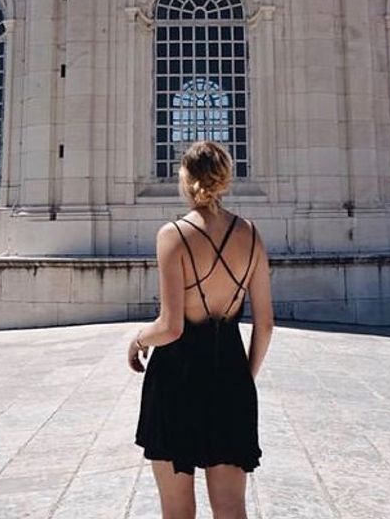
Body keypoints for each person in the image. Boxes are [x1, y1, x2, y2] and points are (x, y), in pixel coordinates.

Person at [128, 140, 274, 519]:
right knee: (231, 508)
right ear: (224, 179)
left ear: (186, 179)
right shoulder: (252, 236)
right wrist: (244, 375)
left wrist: (138, 340)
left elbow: (171, 326)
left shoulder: (173, 235)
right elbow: (266, 325)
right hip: (230, 374)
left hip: (177, 377)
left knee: (177, 511)